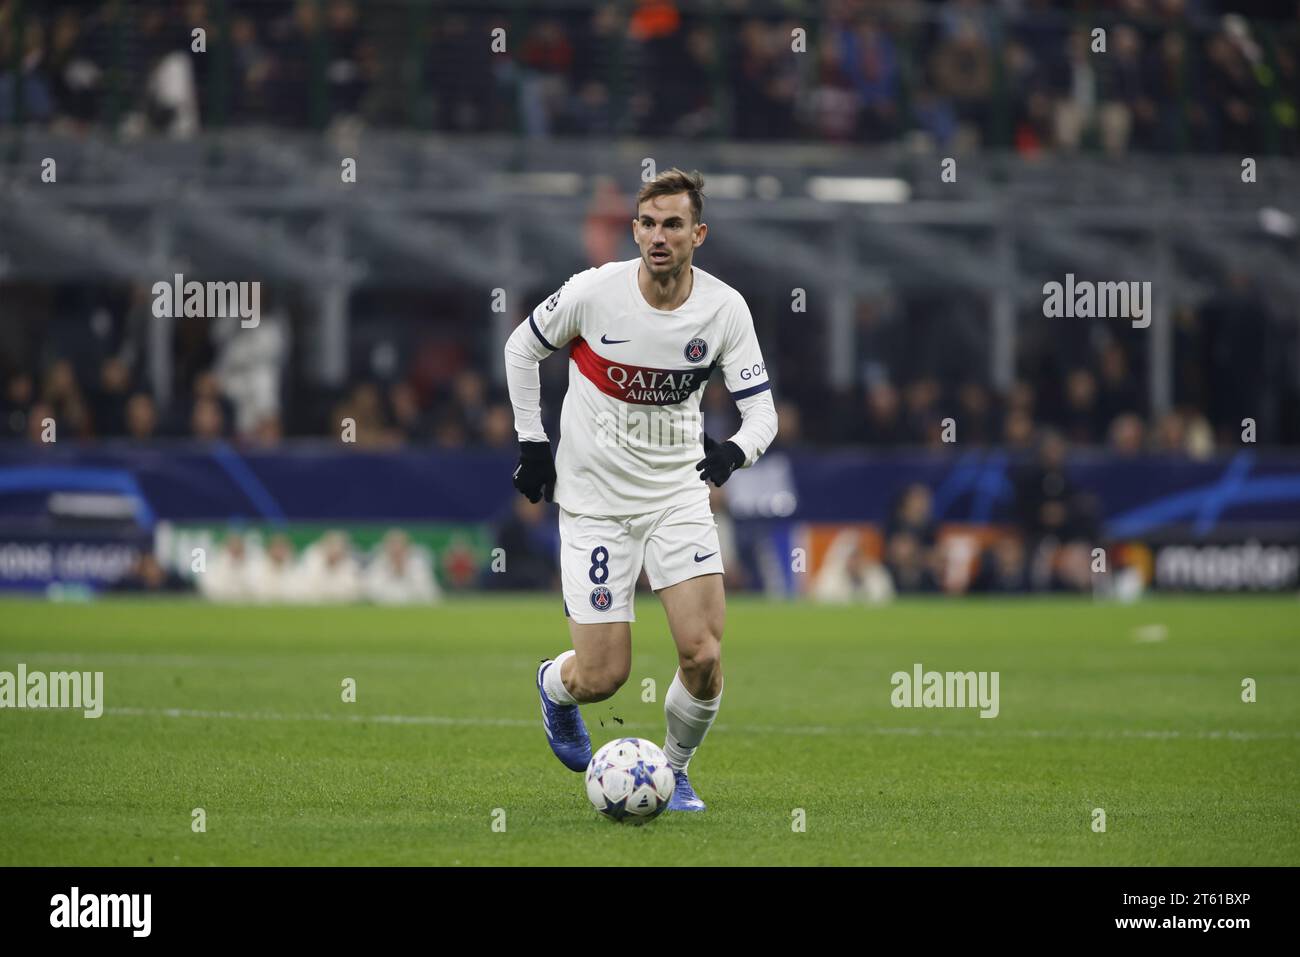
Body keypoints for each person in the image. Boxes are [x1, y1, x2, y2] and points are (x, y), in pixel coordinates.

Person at [503, 168, 778, 812]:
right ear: (635, 230)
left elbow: (762, 413)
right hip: (595, 504)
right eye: (649, 224)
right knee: (603, 676)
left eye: (674, 225)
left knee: (703, 654)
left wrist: (736, 451)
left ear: (698, 234)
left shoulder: (724, 308)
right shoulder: (593, 293)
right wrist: (531, 443)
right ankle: (554, 686)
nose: (659, 236)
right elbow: (521, 349)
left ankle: (675, 770)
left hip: (676, 498)